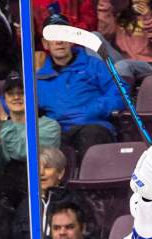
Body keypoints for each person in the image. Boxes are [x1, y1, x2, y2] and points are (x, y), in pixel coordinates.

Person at [36, 31, 125, 162]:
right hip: (58, 130)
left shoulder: (94, 65)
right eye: (53, 37)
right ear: (45, 44)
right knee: (42, 142)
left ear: (71, 40)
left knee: (90, 135)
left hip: (93, 124)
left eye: (63, 36)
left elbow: (121, 91)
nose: (59, 42)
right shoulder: (38, 78)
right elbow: (17, 101)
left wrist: (94, 109)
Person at [0, 72, 63, 207]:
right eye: (11, 93)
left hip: (36, 189)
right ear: (5, 98)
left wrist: (3, 120)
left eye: (21, 92)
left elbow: (23, 153)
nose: (16, 97)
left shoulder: (49, 126)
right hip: (6, 192)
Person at [97, 0, 152, 83]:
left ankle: (121, 94)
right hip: (122, 59)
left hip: (148, 64)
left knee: (122, 65)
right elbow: (106, 33)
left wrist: (147, 16)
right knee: (93, 37)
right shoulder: (122, 16)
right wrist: (104, 3)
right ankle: (99, 78)